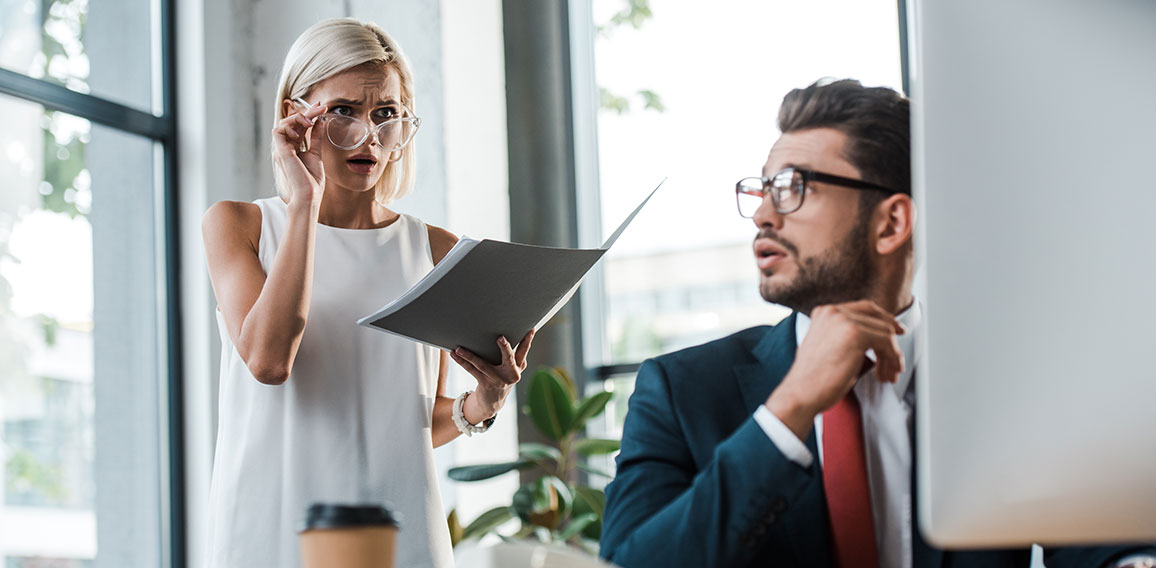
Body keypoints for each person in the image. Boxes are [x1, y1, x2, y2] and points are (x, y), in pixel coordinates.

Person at [599, 79, 1156, 568]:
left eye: (793, 187)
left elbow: (1103, 547)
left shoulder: (1015, 385)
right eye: (762, 189)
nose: (765, 214)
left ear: (892, 222)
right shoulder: (679, 391)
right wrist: (787, 410)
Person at [202, 18, 533, 568]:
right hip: (270, 531)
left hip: (403, 533)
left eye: (386, 115)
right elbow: (268, 360)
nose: (367, 137)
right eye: (343, 112)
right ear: (294, 116)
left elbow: (415, 421)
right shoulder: (239, 225)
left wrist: (486, 401)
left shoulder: (438, 250)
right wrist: (304, 203)